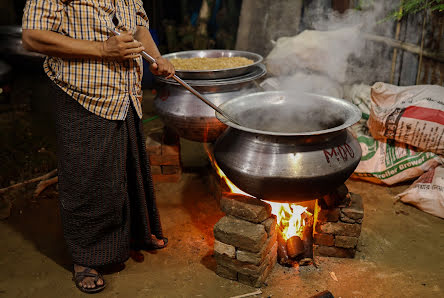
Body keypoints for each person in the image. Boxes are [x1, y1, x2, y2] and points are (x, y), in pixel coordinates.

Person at [22, 0, 175, 293]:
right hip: (84, 91)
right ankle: (86, 258)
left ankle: (133, 235)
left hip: (124, 91)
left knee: (127, 166)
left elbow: (138, 26)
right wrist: (103, 50)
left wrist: (156, 58)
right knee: (88, 177)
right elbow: (32, 36)